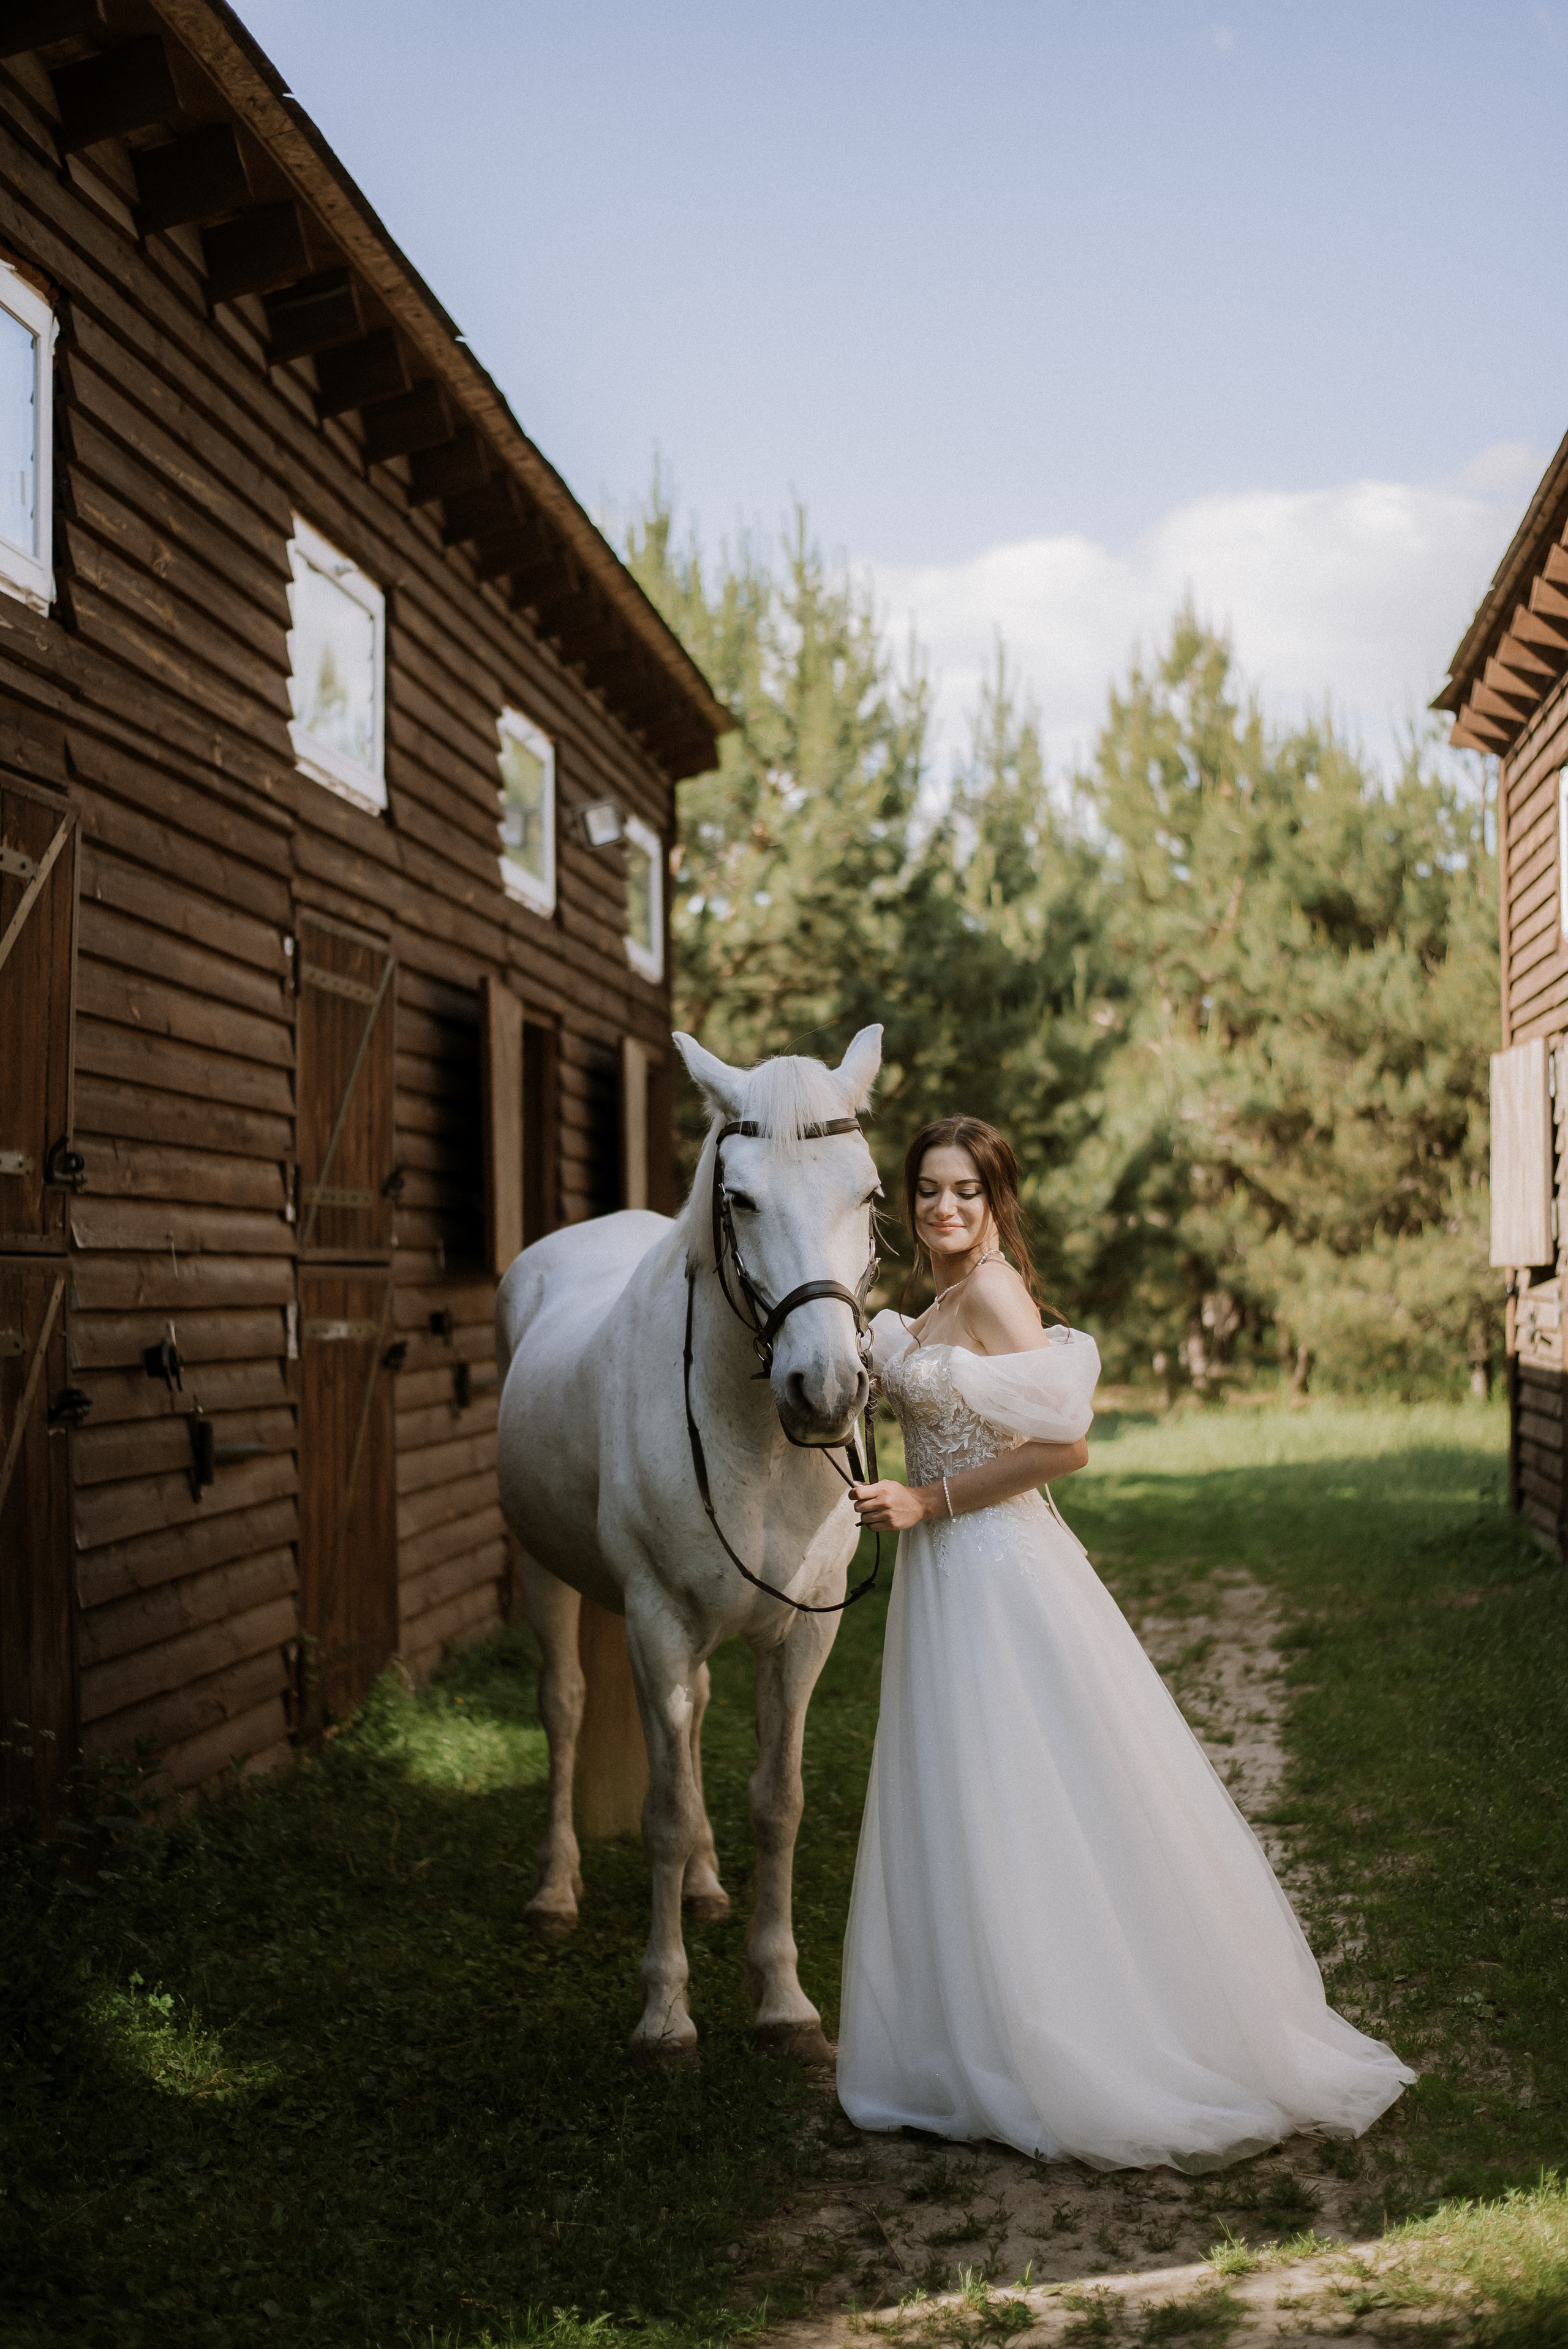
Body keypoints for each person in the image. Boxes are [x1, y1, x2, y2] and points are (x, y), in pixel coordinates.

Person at [839, 1114, 1412, 2173]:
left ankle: (1078, 2038)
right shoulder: (940, 1302)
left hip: (995, 1568)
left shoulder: (998, 1293)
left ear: (996, 1197)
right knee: (961, 1795)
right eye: (927, 1189)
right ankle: (968, 2037)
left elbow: (1067, 1447)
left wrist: (928, 1498)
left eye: (965, 1189)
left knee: (1025, 1790)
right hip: (946, 1582)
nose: (944, 1207)